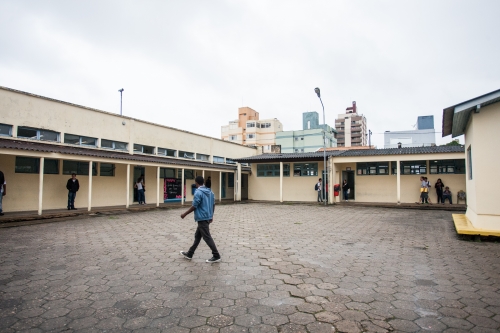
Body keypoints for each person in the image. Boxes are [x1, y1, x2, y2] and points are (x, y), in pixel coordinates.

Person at [180, 176, 221, 263]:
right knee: (197, 236)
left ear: (196, 183)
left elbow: (194, 206)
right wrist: (211, 216)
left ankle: (216, 255)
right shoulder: (210, 192)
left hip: (202, 218)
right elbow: (213, 205)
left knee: (207, 237)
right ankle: (190, 253)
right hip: (207, 217)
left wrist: (184, 214)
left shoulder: (198, 192)